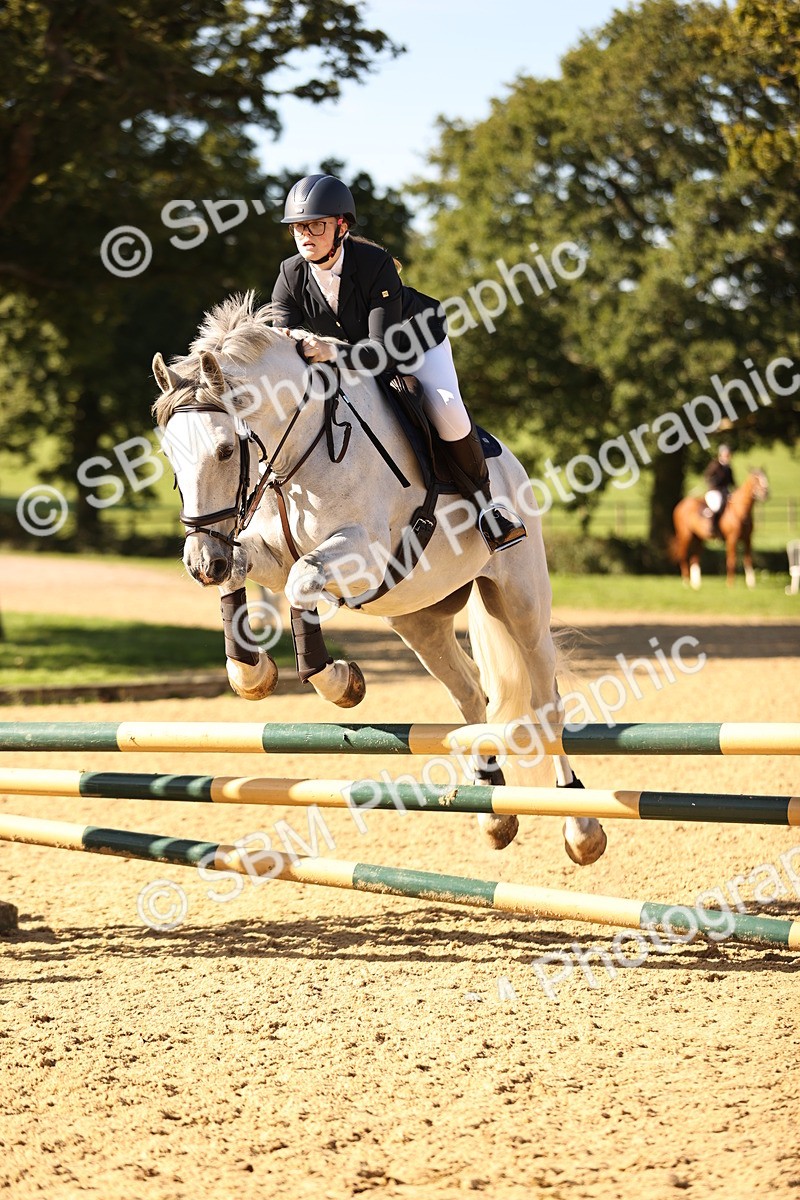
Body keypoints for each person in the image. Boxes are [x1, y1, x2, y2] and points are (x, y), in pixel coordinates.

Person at [269, 173, 526, 553]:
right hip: (349, 352)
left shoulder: (375, 264)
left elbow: (381, 352)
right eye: (298, 228)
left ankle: (488, 508)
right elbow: (279, 337)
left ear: (342, 226)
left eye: (317, 226)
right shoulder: (290, 273)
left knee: (448, 410)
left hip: (413, 345)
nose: (306, 235)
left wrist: (330, 351)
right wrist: (293, 339)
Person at [704, 444, 735, 534]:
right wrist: (715, 482)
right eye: (726, 455)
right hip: (715, 491)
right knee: (717, 506)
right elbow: (707, 477)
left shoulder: (728, 468)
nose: (728, 457)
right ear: (721, 455)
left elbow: (732, 482)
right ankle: (713, 527)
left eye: (728, 455)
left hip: (725, 491)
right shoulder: (715, 465)